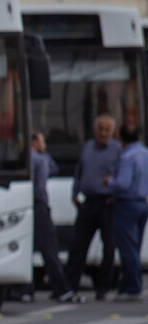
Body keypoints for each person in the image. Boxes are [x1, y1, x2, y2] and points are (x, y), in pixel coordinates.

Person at [65, 115, 121, 299]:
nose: (103, 133)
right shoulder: (88, 147)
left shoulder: (117, 150)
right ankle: (70, 286)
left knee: (109, 247)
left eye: (106, 130)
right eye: (100, 129)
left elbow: (121, 175)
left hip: (107, 203)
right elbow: (79, 171)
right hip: (88, 203)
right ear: (95, 130)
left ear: (112, 132)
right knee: (78, 246)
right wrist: (75, 193)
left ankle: (103, 288)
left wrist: (115, 192)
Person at [28, 131, 83, 303]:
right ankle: (62, 289)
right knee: (50, 249)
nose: (44, 145)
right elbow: (42, 183)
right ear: (35, 142)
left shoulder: (26, 158)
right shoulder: (39, 160)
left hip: (24, 206)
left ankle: (24, 290)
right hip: (39, 207)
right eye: (42, 142)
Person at [107, 125, 148, 300]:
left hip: (127, 204)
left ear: (121, 139)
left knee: (128, 249)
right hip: (142, 202)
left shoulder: (126, 157)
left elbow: (122, 183)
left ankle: (133, 287)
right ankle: (126, 285)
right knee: (135, 247)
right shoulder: (145, 153)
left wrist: (109, 182)